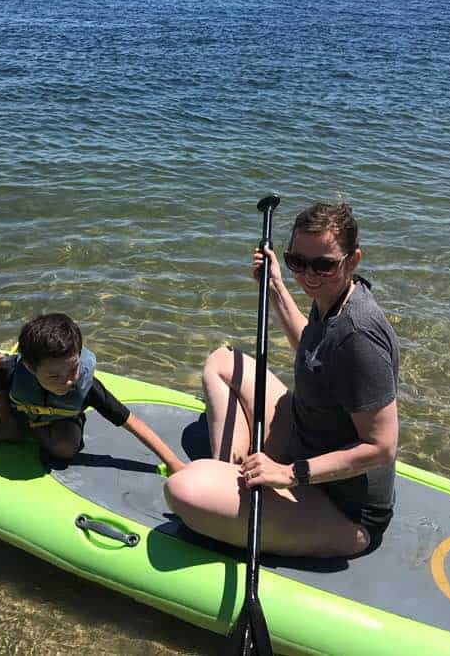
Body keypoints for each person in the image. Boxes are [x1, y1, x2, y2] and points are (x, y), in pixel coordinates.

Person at [164, 202, 399, 558]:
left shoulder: (359, 335)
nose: (309, 275)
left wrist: (290, 473)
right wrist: (274, 285)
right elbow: (312, 350)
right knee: (222, 362)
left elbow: (382, 447)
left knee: (182, 489)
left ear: (353, 261)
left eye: (324, 264)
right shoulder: (332, 297)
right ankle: (231, 478)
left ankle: (229, 490)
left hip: (342, 505)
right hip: (307, 434)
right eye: (297, 262)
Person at [0, 313, 185, 478]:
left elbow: (131, 422)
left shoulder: (84, 386)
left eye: (73, 369)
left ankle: (27, 426)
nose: (68, 381)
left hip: (58, 416)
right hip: (21, 401)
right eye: (55, 376)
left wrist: (173, 463)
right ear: (29, 366)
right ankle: (12, 426)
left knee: (64, 449)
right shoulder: (14, 370)